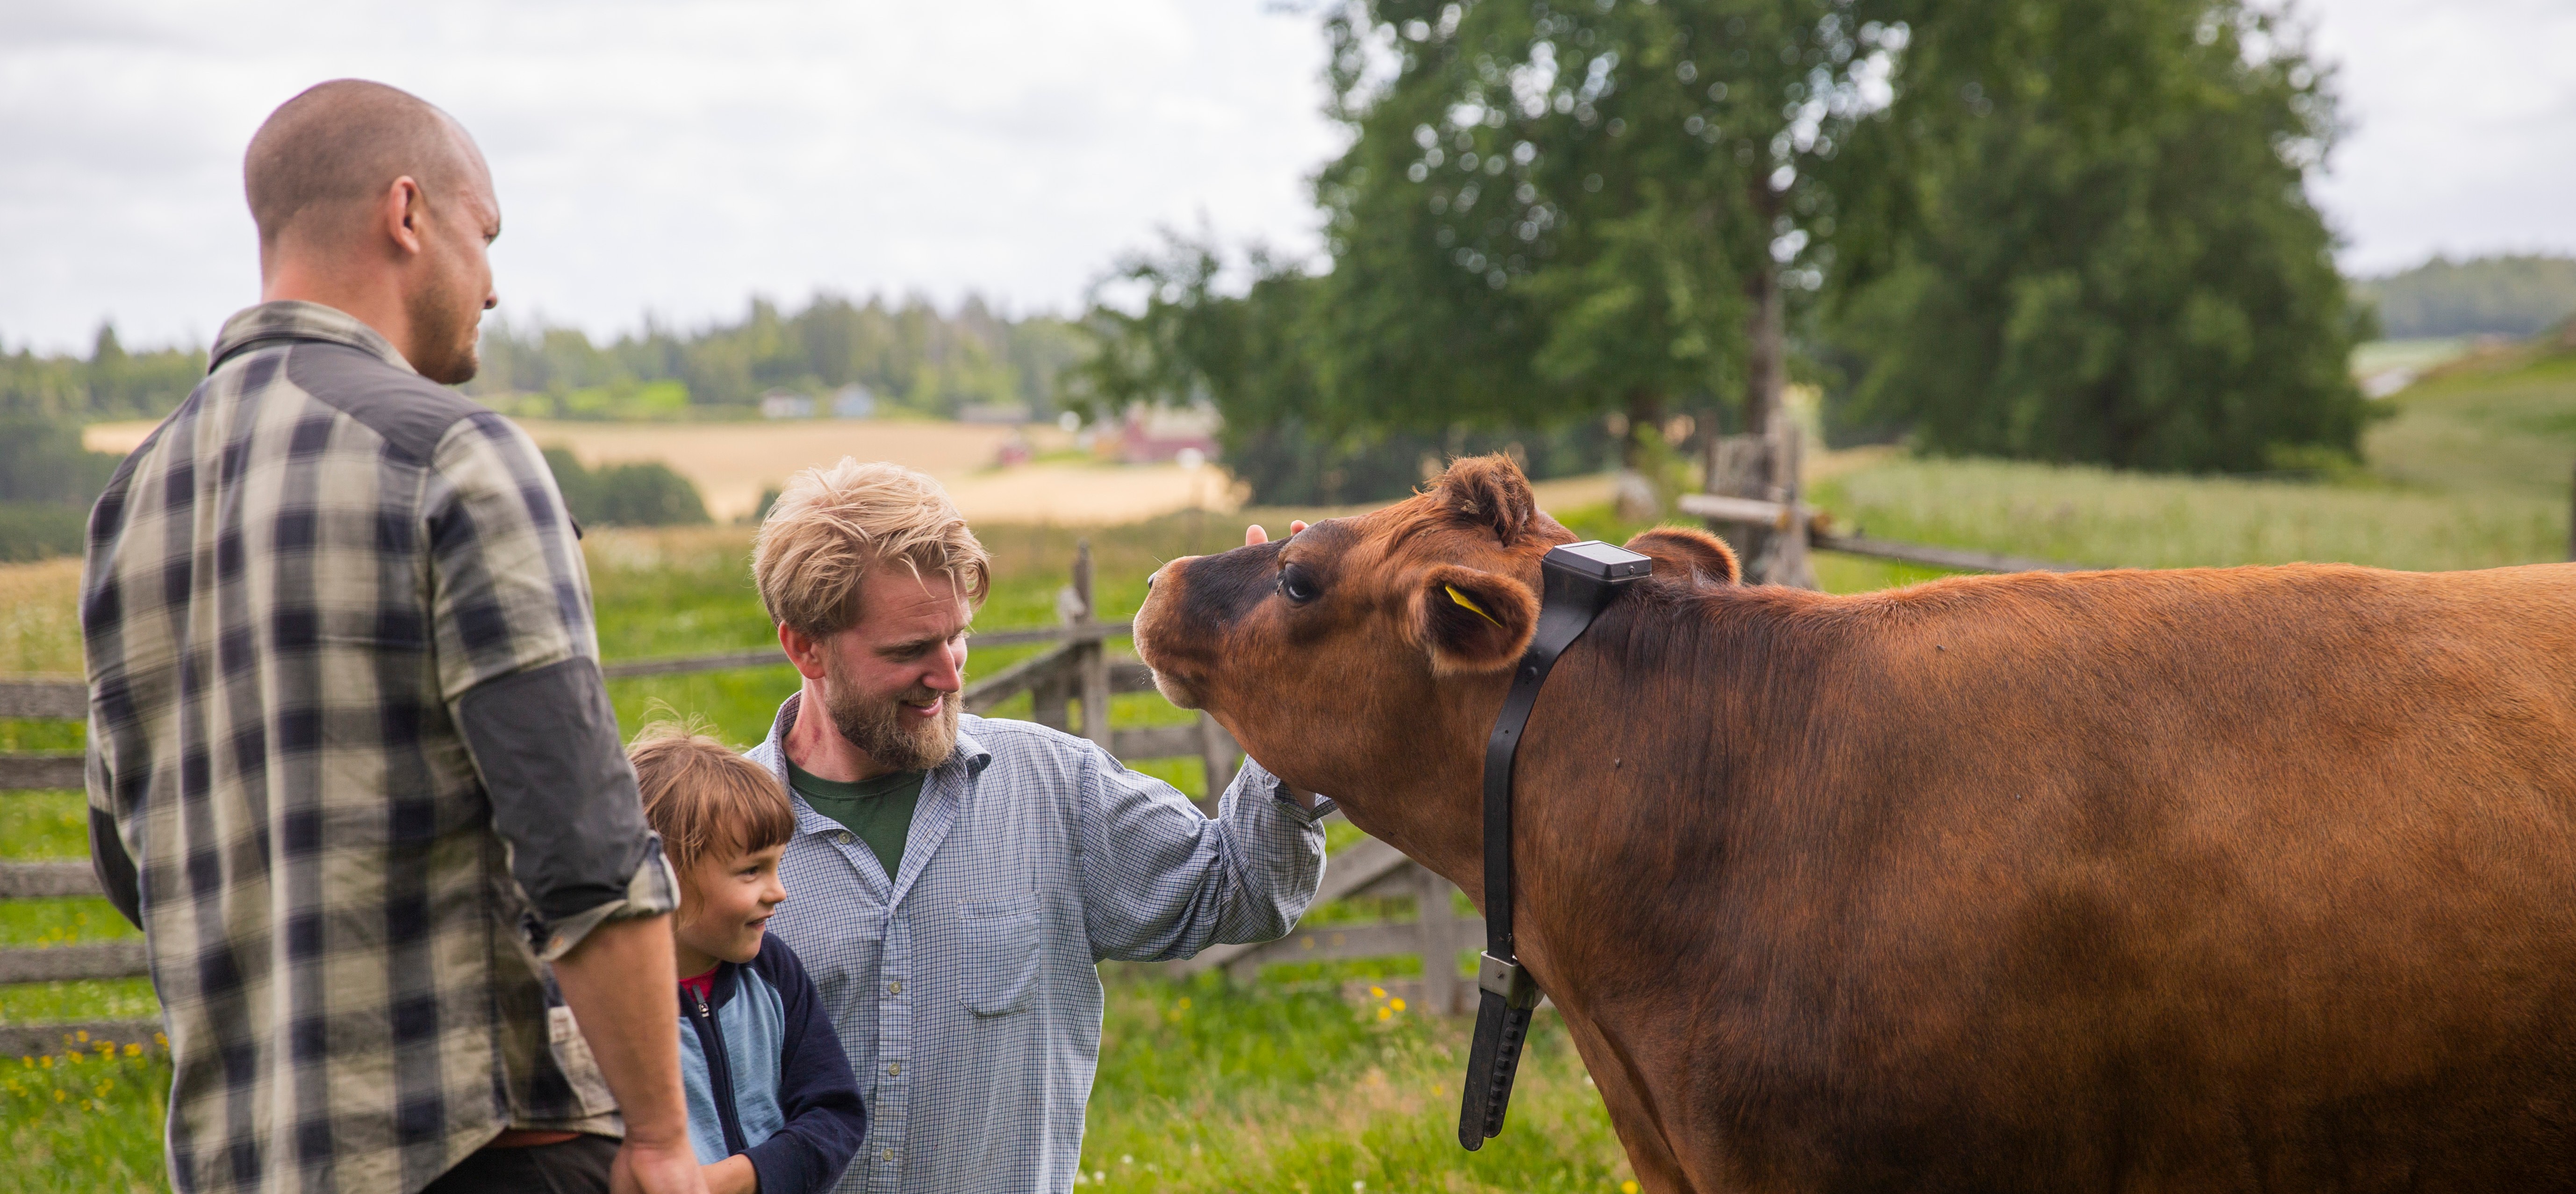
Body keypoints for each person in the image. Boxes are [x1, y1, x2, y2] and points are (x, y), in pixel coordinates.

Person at [80, 79, 705, 1194]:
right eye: (485, 233)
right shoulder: (453, 453)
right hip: (481, 1151)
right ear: (407, 215)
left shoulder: (131, 504)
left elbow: (131, 869)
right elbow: (582, 838)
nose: (495, 283)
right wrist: (660, 1136)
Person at [744, 459, 1332, 1193]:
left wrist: (1296, 679)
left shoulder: (1053, 787)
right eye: (908, 651)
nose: (950, 674)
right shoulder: (708, 836)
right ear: (804, 646)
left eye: (955, 636)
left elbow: (1240, 887)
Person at [629, 723, 868, 1194]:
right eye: (752, 870)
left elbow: (834, 1114)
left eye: (778, 864)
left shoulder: (773, 972)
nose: (778, 891)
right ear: (664, 873)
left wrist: (730, 1178)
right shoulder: (602, 1000)